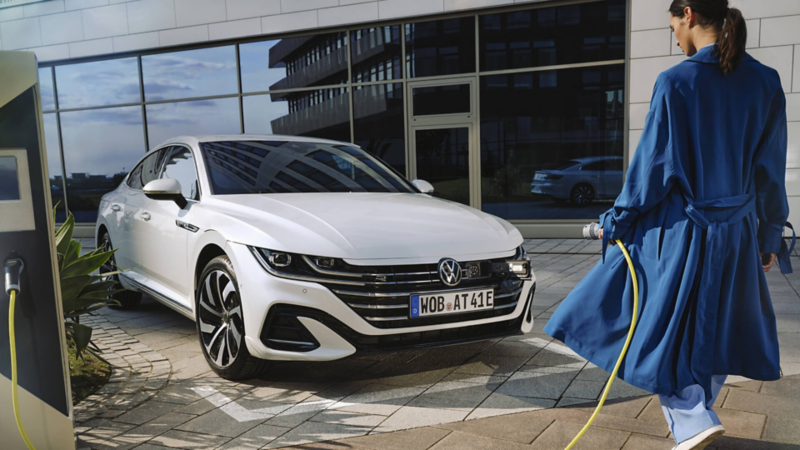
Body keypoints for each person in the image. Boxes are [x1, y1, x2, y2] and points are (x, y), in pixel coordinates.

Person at [543, 1, 795, 449]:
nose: (675, 36)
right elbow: (770, 171)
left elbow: (652, 172)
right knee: (719, 323)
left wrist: (614, 221)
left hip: (684, 231)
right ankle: (697, 410)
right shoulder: (766, 82)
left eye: (673, 25)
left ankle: (692, 416)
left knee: (657, 319)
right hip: (736, 231)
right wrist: (769, 233)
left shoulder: (676, 83)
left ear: (689, 14)